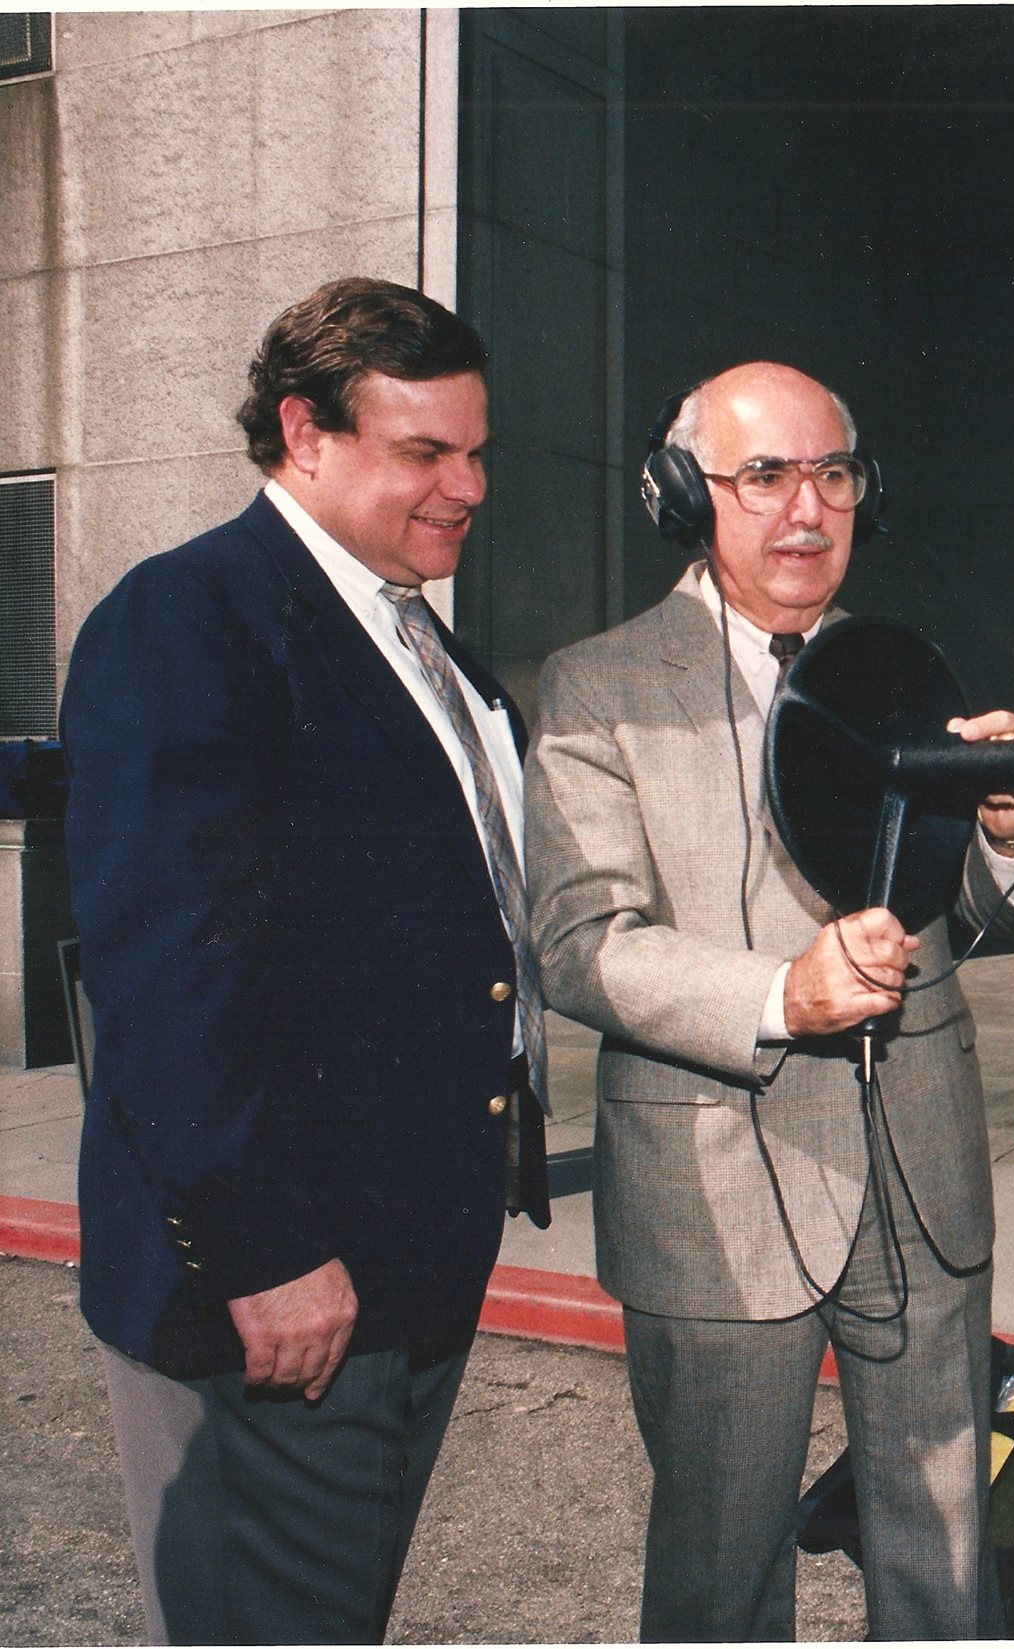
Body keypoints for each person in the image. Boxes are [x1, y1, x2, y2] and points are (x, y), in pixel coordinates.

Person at [523, 361, 1014, 1642]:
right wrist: (779, 993)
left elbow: (974, 918)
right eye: (763, 474)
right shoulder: (597, 685)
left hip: (919, 1172)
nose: (806, 508)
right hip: (715, 1195)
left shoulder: (902, 670)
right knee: (721, 1568)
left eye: (833, 474)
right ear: (681, 494)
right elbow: (580, 941)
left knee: (946, 1557)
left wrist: (1008, 838)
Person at [62, 276, 550, 1644]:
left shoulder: (422, 641)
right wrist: (266, 1252)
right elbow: (168, 982)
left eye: (477, 452)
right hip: (278, 1297)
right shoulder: (190, 618)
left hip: (402, 1273)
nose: (467, 487)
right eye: (424, 452)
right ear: (303, 431)